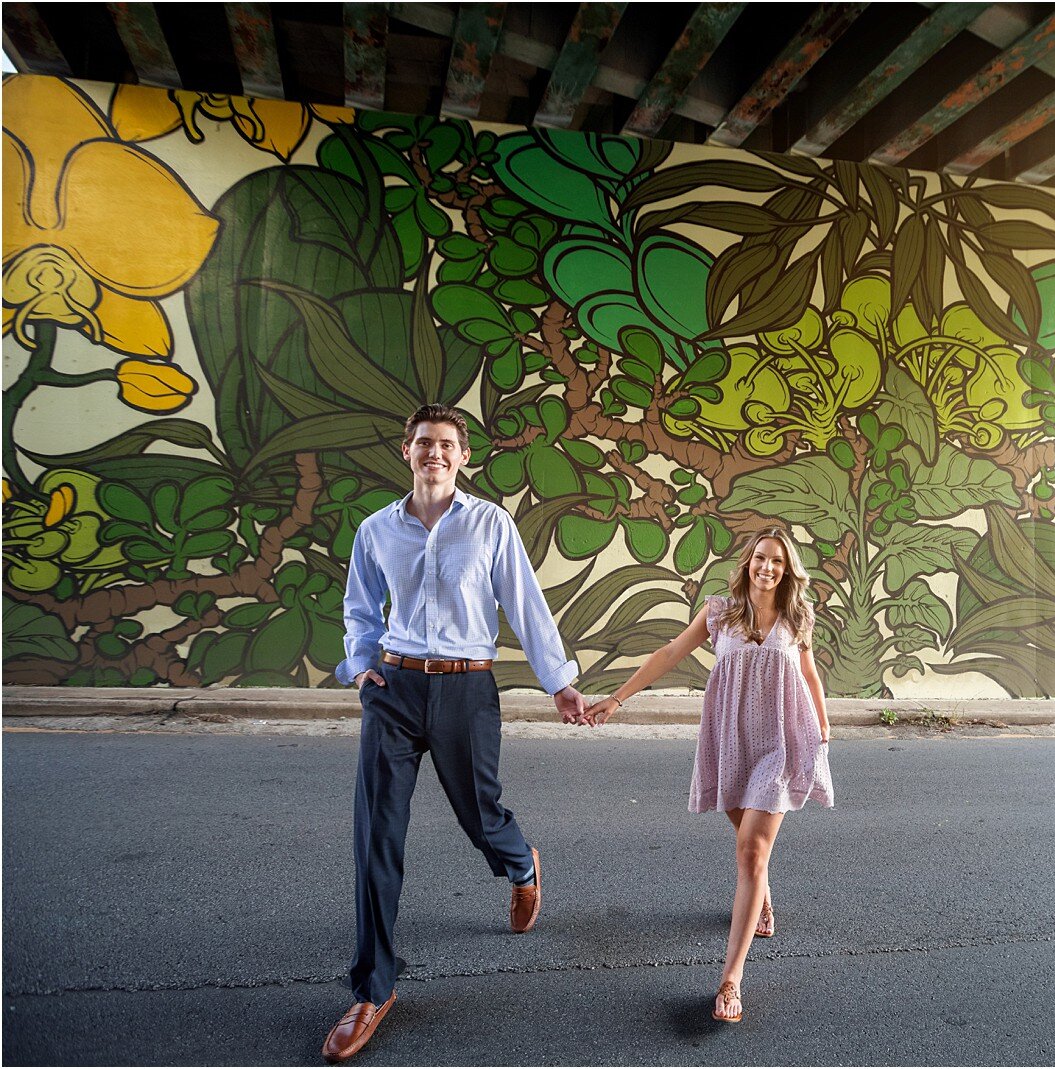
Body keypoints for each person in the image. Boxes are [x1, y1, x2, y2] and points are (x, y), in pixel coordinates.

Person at [321, 404, 589, 1062]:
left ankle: (521, 864)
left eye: (445, 443)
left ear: (464, 455)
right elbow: (360, 604)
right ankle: (373, 987)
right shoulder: (377, 530)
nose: (433, 452)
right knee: (375, 833)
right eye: (422, 443)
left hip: (467, 687)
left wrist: (560, 681)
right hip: (395, 686)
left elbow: (525, 601)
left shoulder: (490, 524)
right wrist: (360, 668)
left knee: (481, 813)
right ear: (405, 451)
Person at [586, 526, 833, 1023]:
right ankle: (760, 896)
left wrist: (823, 728)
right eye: (761, 558)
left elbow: (808, 673)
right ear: (748, 563)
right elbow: (669, 653)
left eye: (778, 562)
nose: (768, 567)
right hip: (730, 742)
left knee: (752, 850)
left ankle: (730, 980)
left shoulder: (796, 616)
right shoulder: (720, 613)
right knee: (747, 841)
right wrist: (617, 698)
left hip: (780, 745)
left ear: (788, 571)